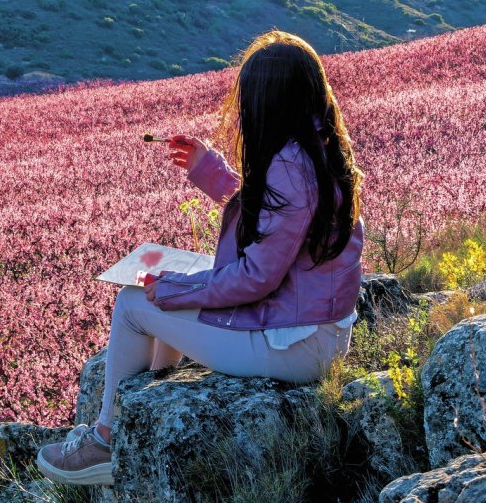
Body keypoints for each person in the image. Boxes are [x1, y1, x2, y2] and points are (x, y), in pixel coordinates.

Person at [36, 30, 366, 486]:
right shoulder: (314, 146)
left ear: (267, 102)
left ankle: (106, 443)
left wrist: (172, 290)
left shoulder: (290, 167)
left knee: (134, 305)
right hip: (311, 326)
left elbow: (257, 277)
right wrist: (209, 170)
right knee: (173, 286)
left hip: (296, 345)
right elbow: (280, 222)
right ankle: (145, 404)